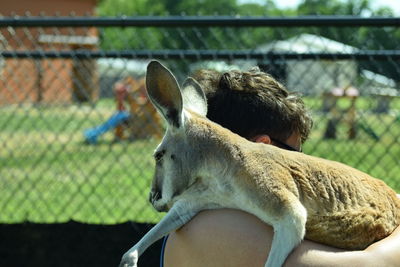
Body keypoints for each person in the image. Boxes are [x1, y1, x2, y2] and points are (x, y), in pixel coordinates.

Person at [161, 67, 400, 267]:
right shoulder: (216, 225)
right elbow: (374, 264)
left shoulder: (215, 212)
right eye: (296, 156)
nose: (305, 166)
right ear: (264, 148)